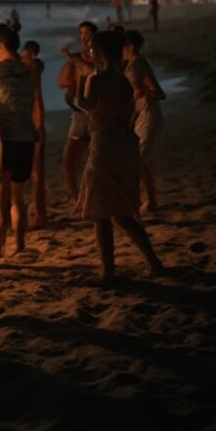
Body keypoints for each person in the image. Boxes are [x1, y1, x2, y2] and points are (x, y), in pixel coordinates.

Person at [74, 30, 163, 283]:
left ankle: (109, 272)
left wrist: (82, 78)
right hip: (126, 143)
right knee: (121, 212)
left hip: (105, 144)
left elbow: (84, 104)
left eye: (92, 49)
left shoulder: (97, 78)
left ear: (99, 53)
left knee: (102, 212)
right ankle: (153, 262)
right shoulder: (123, 79)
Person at [0, 24, 37, 258]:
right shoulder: (27, 72)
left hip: (5, 140)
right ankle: (21, 245)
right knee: (18, 196)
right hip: (26, 137)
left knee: (1, 197)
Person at [123, 30, 166, 212]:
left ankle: (146, 201)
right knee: (139, 160)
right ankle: (149, 200)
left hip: (149, 115)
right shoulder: (130, 64)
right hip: (140, 116)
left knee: (138, 160)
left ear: (131, 46)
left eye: (123, 45)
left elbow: (159, 92)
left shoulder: (138, 64)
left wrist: (144, 92)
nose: (121, 49)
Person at [58, 21, 97, 201]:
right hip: (80, 113)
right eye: (82, 33)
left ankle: (86, 197)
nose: (85, 36)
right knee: (70, 160)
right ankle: (77, 198)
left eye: (88, 33)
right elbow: (62, 81)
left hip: (95, 114)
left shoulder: (99, 58)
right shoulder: (76, 58)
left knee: (93, 161)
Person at [21, 40, 48, 228]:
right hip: (28, 122)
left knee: (37, 172)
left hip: (33, 122)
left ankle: (40, 214)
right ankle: (39, 212)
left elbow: (38, 101)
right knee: (33, 172)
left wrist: (38, 126)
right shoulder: (29, 67)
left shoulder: (34, 67)